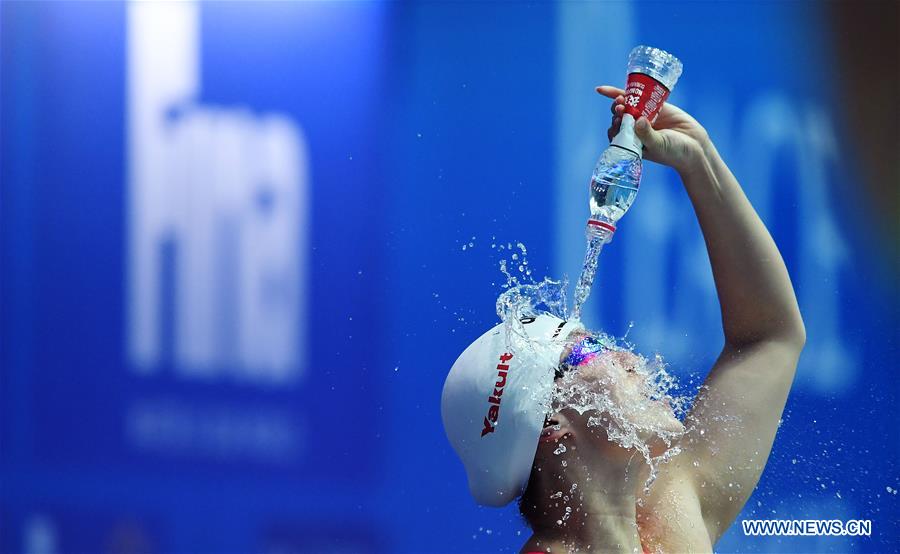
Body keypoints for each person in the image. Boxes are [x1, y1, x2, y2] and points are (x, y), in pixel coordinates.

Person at [441, 85, 806, 554]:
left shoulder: (671, 517)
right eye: (589, 350)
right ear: (552, 423)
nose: (627, 357)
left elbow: (768, 337)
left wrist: (700, 163)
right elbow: (768, 339)